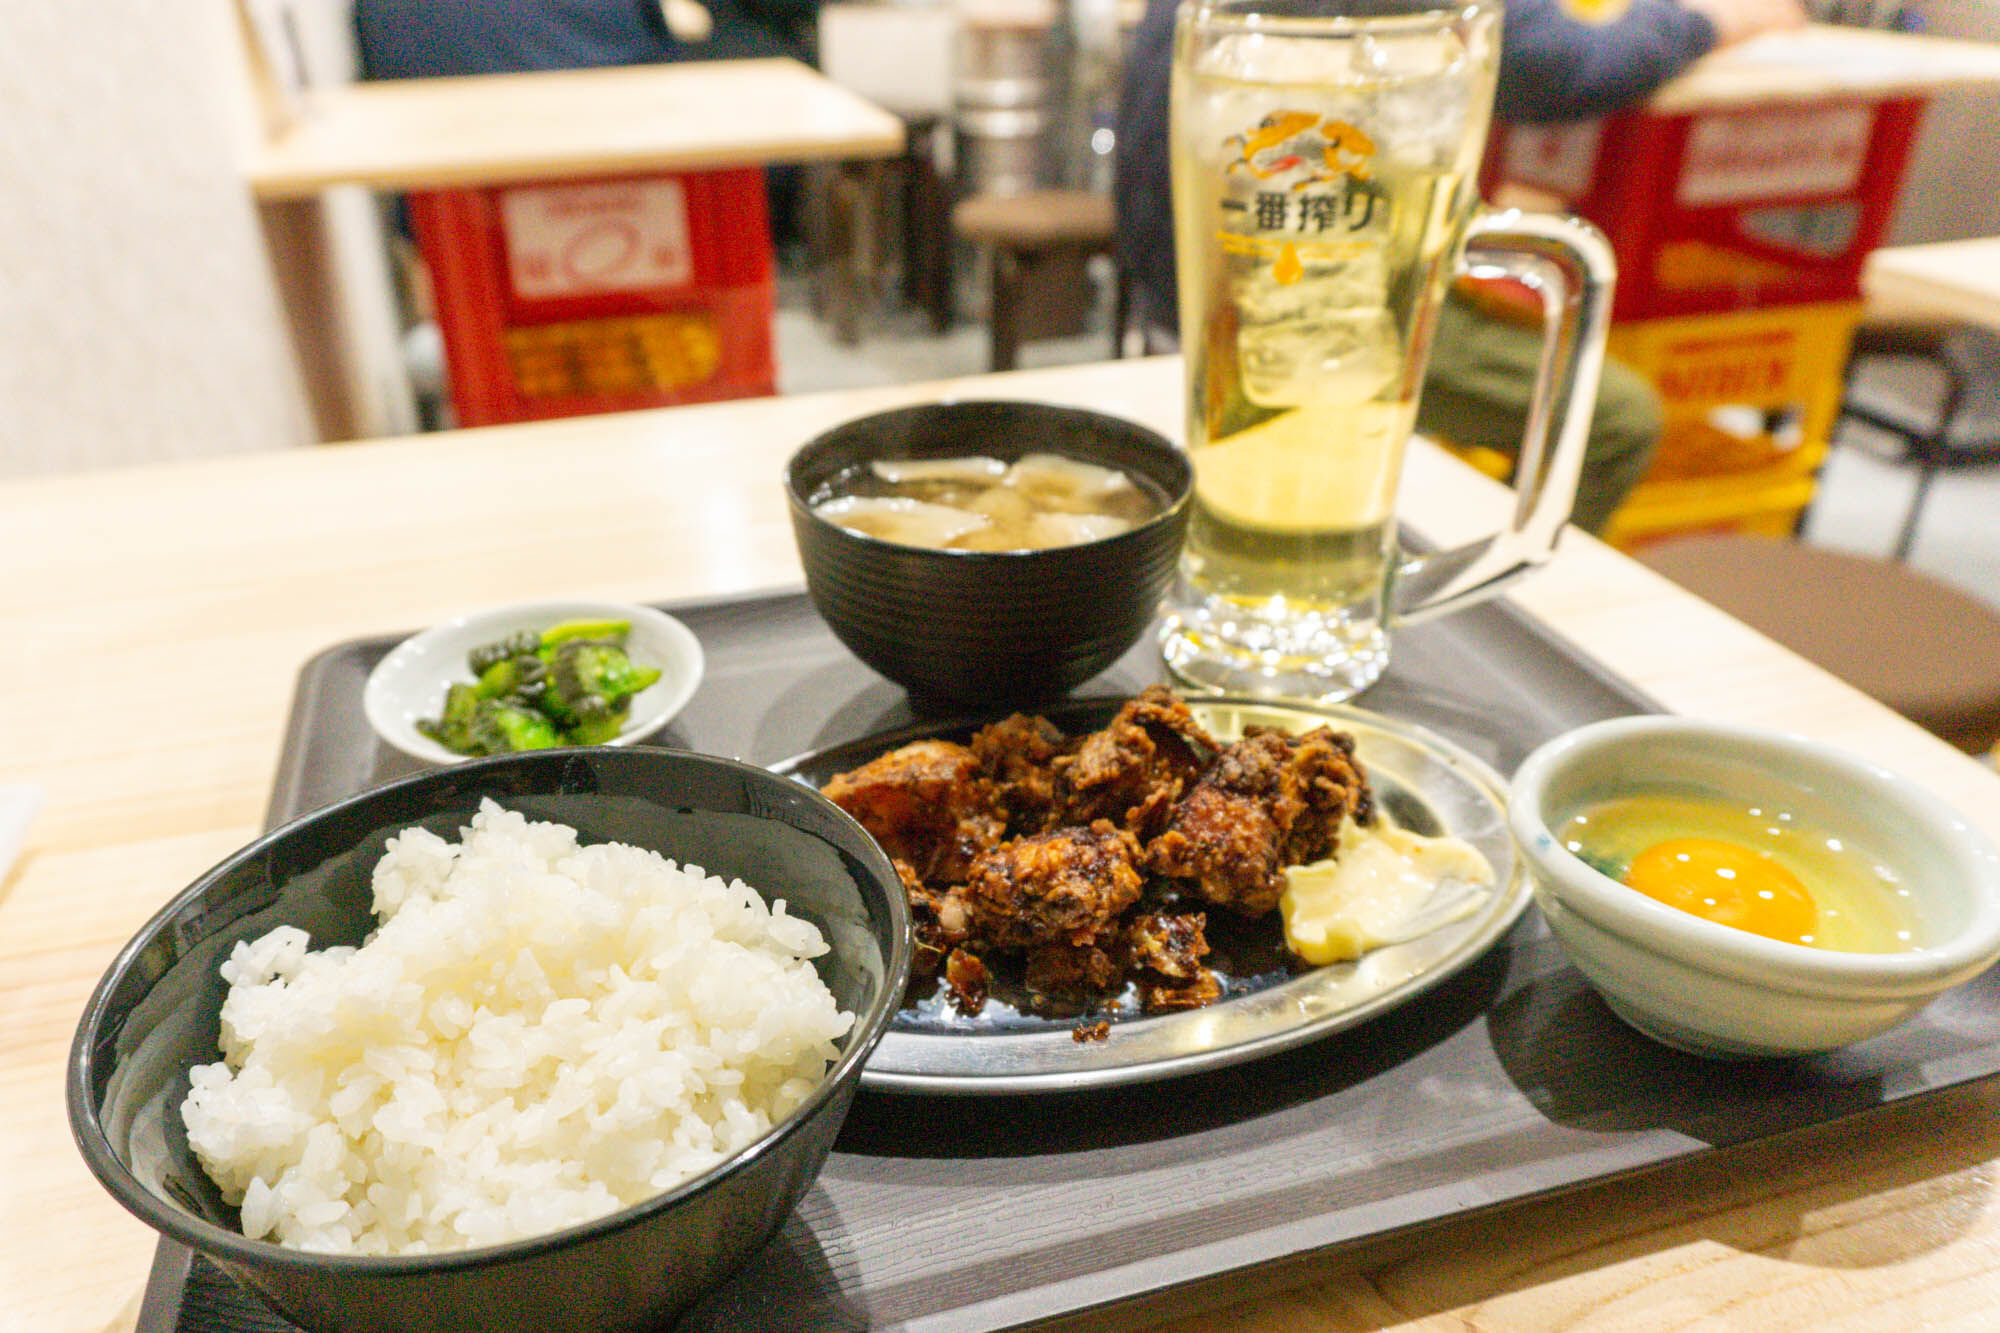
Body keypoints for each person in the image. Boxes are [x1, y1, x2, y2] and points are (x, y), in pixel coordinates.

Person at [1113, 0, 1807, 534]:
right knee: (1616, 420)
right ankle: (1510, 603)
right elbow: (1561, 68)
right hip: (1283, 291)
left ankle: (1426, 565)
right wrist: (1702, 19)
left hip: (1173, 267)